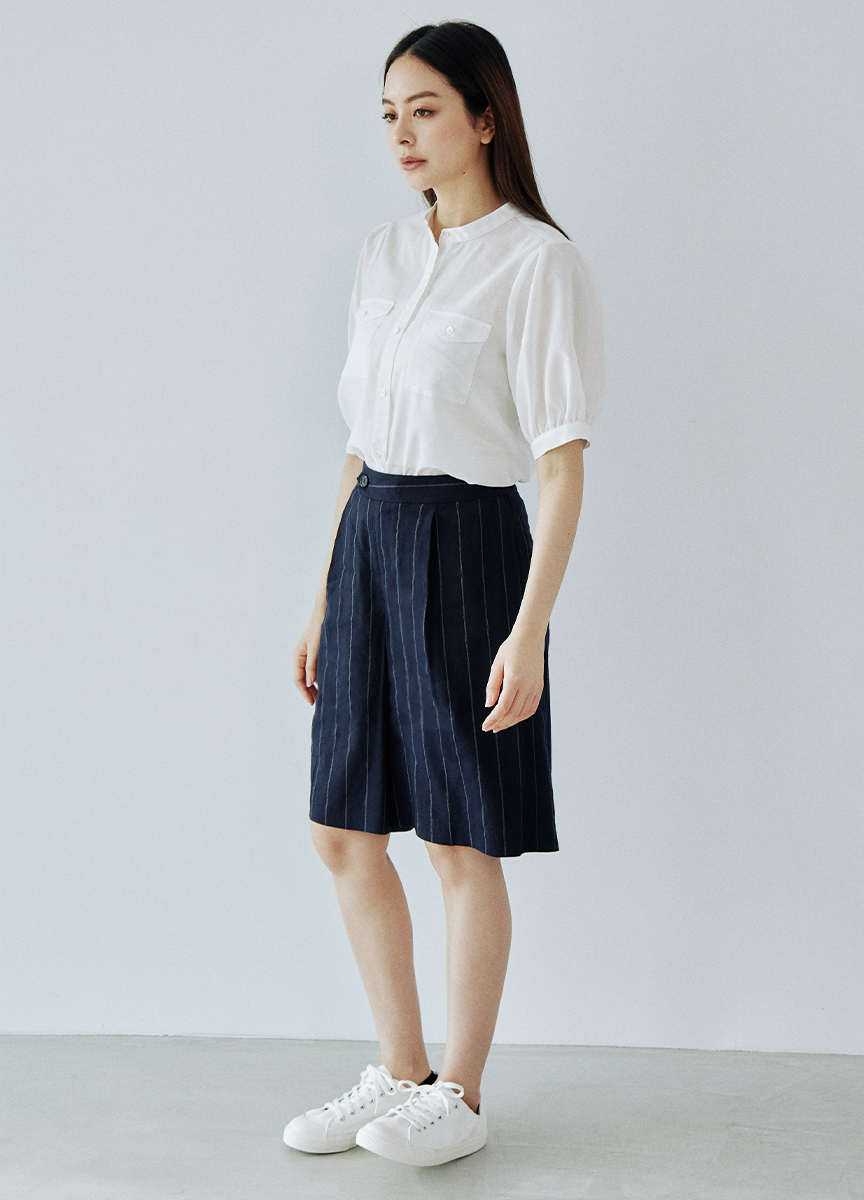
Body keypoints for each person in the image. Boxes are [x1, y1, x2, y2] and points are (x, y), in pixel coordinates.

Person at [284, 20, 604, 1168]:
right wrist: (325, 596)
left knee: (461, 841)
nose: (402, 134)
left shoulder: (536, 261)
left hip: (468, 544)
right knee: (342, 828)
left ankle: (459, 1096)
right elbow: (359, 443)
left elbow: (561, 463)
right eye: (389, 115)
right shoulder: (382, 255)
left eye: (423, 109)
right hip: (370, 540)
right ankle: (400, 1069)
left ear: (485, 117)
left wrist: (531, 630)